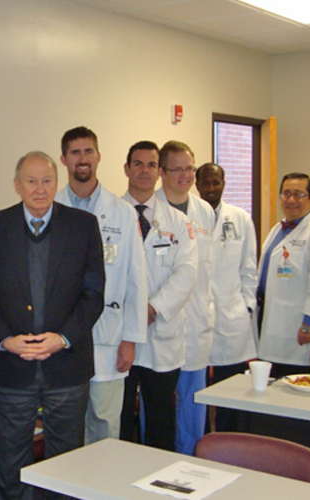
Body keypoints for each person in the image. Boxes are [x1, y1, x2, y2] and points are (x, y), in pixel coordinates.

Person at [0, 151, 104, 500]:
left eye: (47, 181)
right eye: (31, 181)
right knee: (9, 460)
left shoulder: (82, 226)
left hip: (67, 365)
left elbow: (93, 295)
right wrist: (6, 339)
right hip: (13, 368)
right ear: (17, 185)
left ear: (57, 182)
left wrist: (62, 338)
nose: (39, 189)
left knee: (65, 464)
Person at [55, 127, 148, 444]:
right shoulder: (48, 208)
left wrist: (131, 339)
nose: (83, 159)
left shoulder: (121, 212)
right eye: (76, 152)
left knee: (105, 424)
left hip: (109, 336)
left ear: (98, 156)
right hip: (63, 337)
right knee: (67, 426)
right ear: (64, 158)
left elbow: (137, 279)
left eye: (88, 151)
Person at [120, 141, 197, 450]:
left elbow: (187, 273)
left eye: (151, 165)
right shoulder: (107, 217)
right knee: (121, 415)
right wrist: (131, 314)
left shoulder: (179, 222)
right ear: (126, 169)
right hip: (121, 334)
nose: (144, 171)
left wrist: (152, 308)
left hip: (162, 334)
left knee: (161, 417)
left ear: (159, 172)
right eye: (137, 164)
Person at [156, 140, 214, 455]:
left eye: (189, 168)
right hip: (160, 328)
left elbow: (209, 273)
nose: (185, 175)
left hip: (197, 325)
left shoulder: (205, 211)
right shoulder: (148, 211)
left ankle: (192, 462)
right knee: (159, 408)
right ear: (162, 172)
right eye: (176, 169)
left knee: (194, 405)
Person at [258, 173, 310, 378]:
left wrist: (308, 324)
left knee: (296, 385)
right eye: (286, 194)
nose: (291, 200)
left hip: (299, 331)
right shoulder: (278, 229)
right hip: (272, 325)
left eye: (299, 194)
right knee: (271, 389)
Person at [195, 163, 257, 432]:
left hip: (231, 317)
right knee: (196, 393)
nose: (211, 188)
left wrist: (247, 307)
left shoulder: (240, 218)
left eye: (216, 183)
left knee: (230, 393)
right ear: (197, 184)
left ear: (224, 183)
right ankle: (201, 442)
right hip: (196, 316)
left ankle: (230, 445)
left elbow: (249, 268)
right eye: (206, 183)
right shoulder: (187, 216)